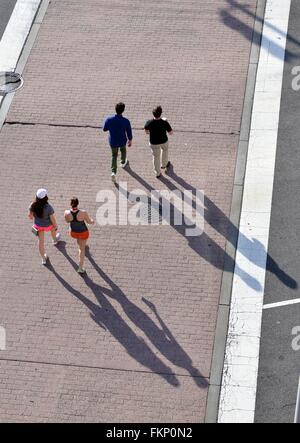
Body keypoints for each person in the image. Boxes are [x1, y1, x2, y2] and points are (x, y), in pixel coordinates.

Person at [28, 189, 61, 265]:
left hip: (38, 226)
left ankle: (43, 258)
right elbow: (52, 218)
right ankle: (55, 240)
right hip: (48, 225)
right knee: (53, 230)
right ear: (45, 197)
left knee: (41, 242)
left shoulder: (33, 205)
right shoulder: (48, 207)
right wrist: (55, 225)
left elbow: (30, 216)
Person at [103, 102, 133, 182]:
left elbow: (104, 129)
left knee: (114, 155)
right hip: (122, 140)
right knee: (123, 150)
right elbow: (129, 132)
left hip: (113, 141)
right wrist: (130, 140)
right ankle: (123, 162)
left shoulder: (109, 120)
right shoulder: (126, 121)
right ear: (123, 110)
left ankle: (113, 172)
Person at [64, 197, 95, 274]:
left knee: (79, 239)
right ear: (78, 203)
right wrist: (92, 221)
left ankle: (82, 244)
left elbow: (67, 221)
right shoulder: (83, 212)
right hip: (83, 233)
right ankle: (80, 268)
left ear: (70, 204)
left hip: (73, 233)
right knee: (81, 249)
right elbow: (89, 222)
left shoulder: (66, 213)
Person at [144, 105, 173, 178]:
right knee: (165, 151)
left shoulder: (149, 122)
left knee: (156, 157)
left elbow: (146, 132)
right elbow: (171, 132)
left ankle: (158, 173)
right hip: (164, 141)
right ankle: (164, 164)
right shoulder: (164, 122)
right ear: (161, 113)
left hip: (154, 142)